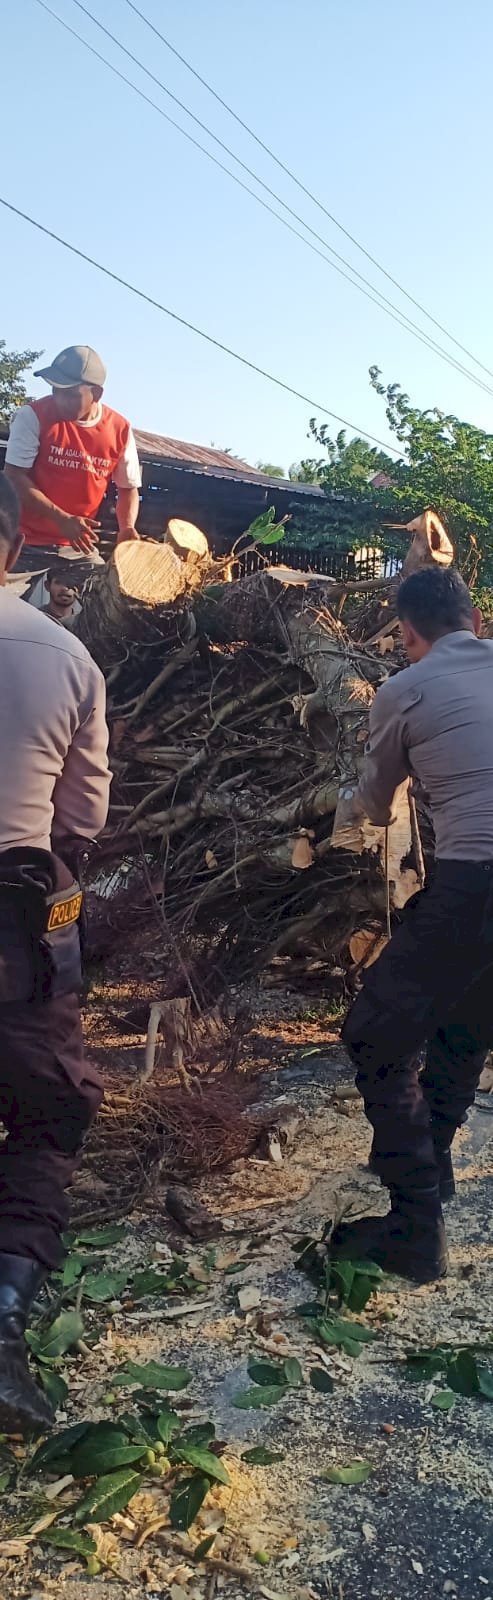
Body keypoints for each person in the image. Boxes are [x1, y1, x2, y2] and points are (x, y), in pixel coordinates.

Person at [335, 569, 493, 1285]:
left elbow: (376, 805)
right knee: (465, 1029)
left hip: (479, 879)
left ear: (408, 633)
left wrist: (341, 806)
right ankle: (430, 1170)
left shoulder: (403, 689)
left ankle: (413, 1227)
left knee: (375, 1036)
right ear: (475, 618)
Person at [0, 474, 111, 1435]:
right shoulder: (62, 653)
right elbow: (83, 815)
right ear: (13, 550)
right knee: (47, 1105)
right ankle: (3, 1330)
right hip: (16, 910)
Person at [4, 344, 141, 603]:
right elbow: (13, 477)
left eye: (69, 393)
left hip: (78, 549)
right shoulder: (32, 417)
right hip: (23, 540)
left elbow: (128, 488)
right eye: (55, 390)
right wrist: (62, 518)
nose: (59, 398)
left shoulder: (120, 429)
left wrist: (127, 527)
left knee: (112, 603)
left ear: (96, 394)